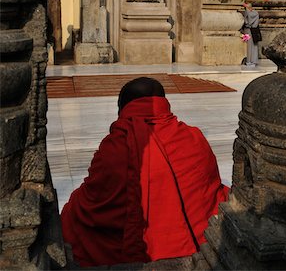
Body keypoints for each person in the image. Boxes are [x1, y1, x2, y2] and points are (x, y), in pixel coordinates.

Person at [61, 77, 229, 267]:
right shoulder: (193, 137)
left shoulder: (114, 147)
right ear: (164, 102)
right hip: (195, 241)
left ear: (122, 108)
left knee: (71, 213)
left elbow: (93, 203)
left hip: (123, 250)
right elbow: (211, 193)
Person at [242, 2, 262, 67]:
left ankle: (252, 61)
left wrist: (246, 9)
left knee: (252, 46)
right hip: (248, 31)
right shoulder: (249, 13)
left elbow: (248, 21)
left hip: (252, 31)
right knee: (248, 46)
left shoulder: (254, 13)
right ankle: (249, 60)